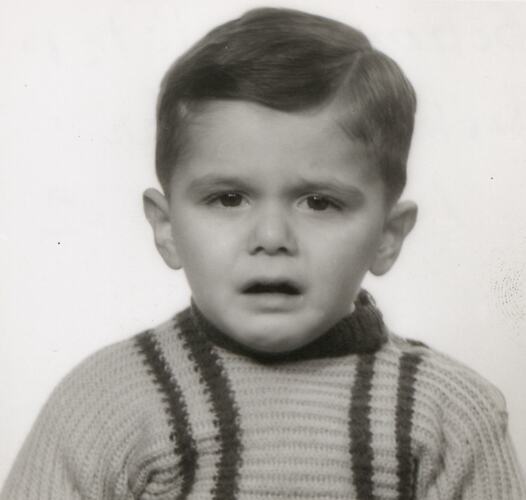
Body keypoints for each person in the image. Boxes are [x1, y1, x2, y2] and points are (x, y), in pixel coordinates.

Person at [1, 7, 524, 500]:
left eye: (320, 202)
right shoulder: (102, 406)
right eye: (228, 198)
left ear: (388, 235)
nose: (271, 236)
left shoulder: (451, 416)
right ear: (166, 229)